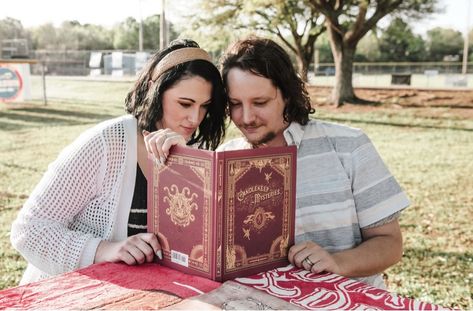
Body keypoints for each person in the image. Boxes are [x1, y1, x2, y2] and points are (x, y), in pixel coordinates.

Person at [10, 39, 227, 284]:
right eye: (185, 104)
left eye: (205, 107)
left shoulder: (193, 149)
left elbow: (198, 245)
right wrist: (105, 250)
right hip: (68, 292)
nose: (195, 118)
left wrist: (186, 162)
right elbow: (28, 231)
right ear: (155, 91)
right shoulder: (107, 143)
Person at [216, 37, 410, 288]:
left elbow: (390, 244)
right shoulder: (225, 158)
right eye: (235, 104)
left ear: (286, 94)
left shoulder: (348, 146)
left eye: (260, 102)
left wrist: (337, 262)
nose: (247, 117)